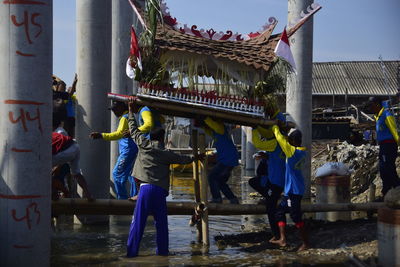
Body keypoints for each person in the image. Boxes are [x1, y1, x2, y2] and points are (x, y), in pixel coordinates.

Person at [126, 97, 202, 257]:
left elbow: (133, 129)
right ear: (162, 138)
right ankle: (163, 253)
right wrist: (197, 157)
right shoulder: (167, 153)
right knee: (161, 225)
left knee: (138, 223)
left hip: (145, 190)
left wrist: (131, 111)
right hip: (160, 191)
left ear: (151, 137)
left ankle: (131, 254)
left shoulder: (143, 143)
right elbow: (183, 159)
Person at [270, 123, 309, 251]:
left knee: (295, 216)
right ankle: (282, 239)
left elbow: (281, 140)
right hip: (291, 190)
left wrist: (275, 127)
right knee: (279, 212)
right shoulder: (301, 151)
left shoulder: (292, 152)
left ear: (293, 141)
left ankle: (305, 243)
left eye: (290, 139)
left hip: (293, 191)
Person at [89, 100, 139, 200]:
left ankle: (122, 200)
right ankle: (135, 197)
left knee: (117, 174)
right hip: (132, 149)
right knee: (131, 175)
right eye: (113, 110)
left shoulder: (125, 118)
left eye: (115, 109)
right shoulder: (127, 117)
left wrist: (101, 135)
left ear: (121, 108)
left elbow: (118, 134)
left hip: (128, 151)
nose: (114, 112)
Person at [251, 125, 286, 242]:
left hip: (275, 182)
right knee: (272, 205)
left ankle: (278, 236)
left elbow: (258, 143)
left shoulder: (275, 143)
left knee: (271, 209)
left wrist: (254, 128)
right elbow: (275, 156)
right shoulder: (284, 142)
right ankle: (279, 235)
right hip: (278, 181)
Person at [198, 116, 239, 204]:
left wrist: (204, 118)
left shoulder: (220, 128)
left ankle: (217, 198)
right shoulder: (215, 132)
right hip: (229, 159)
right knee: (220, 181)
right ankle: (233, 199)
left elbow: (212, 125)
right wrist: (202, 125)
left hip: (228, 159)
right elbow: (208, 129)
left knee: (212, 177)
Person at [368, 96, 400, 196]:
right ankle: (386, 192)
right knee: (383, 169)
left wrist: (399, 142)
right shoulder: (378, 116)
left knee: (388, 168)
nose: (370, 109)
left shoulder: (386, 114)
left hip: (389, 144)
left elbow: (394, 130)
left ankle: (397, 188)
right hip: (383, 145)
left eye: (371, 106)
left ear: (377, 104)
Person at [52, 131, 92, 201]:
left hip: (63, 151)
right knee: (76, 173)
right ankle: (88, 194)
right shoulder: (51, 134)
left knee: (44, 175)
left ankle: (60, 193)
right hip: (75, 146)